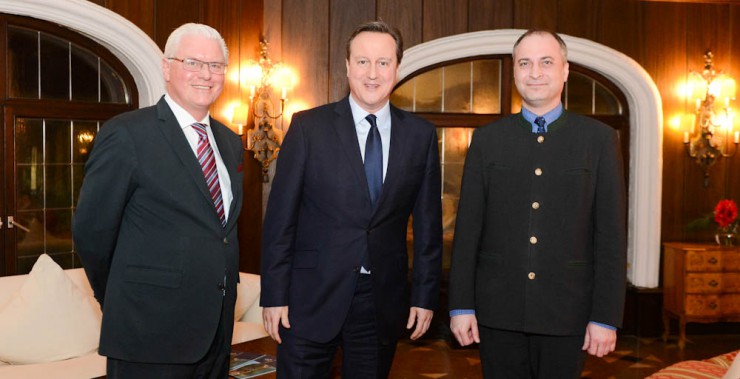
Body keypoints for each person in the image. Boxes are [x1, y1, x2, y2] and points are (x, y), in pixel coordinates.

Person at [260, 20, 443, 378]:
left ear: (397, 68)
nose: (372, 73)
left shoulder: (420, 136)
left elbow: (428, 228)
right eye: (362, 62)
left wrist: (424, 296)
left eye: (383, 62)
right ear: (346, 67)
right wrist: (274, 294)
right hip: (308, 298)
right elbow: (280, 221)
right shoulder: (308, 127)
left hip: (380, 302)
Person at [448, 29, 627, 378]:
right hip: (497, 312)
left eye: (546, 62)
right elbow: (467, 230)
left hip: (568, 312)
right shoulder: (487, 140)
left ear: (565, 70)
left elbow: (611, 237)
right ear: (514, 71)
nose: (535, 72)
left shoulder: (599, 140)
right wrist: (460, 306)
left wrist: (606, 316)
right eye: (525, 63)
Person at [73, 23, 243, 378]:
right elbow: (92, 233)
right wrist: (122, 299)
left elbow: (221, 233)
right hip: (147, 332)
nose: (206, 74)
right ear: (167, 68)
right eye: (193, 62)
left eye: (216, 66)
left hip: (216, 334)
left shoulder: (229, 142)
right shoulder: (128, 134)